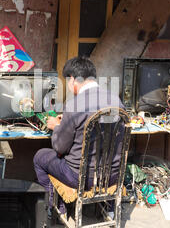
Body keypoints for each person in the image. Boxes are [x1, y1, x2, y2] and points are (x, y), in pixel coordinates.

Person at [33, 57, 124, 218]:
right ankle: (110, 210)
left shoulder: (74, 105)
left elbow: (60, 147)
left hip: (81, 179)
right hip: (113, 175)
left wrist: (56, 127)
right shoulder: (116, 101)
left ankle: (58, 208)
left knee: (40, 157)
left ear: (72, 80)